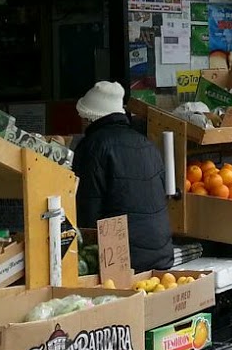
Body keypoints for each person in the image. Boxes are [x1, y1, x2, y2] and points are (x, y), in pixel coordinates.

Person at [71, 80, 174, 271]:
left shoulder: (92, 147)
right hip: (161, 256)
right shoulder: (147, 144)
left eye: (82, 117)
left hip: (122, 262)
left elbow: (87, 210)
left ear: (90, 118)